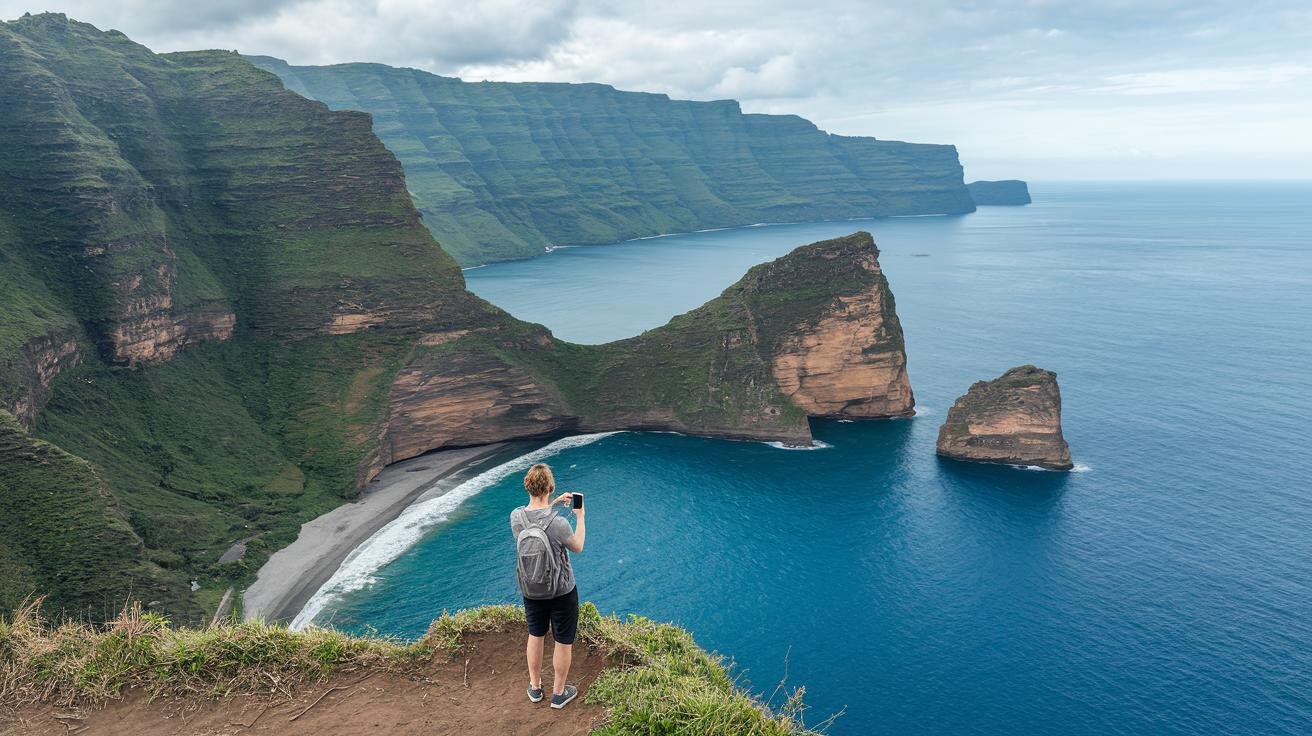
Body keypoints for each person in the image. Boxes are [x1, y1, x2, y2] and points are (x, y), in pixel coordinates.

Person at [510, 462, 586, 709]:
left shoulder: (516, 517)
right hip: (561, 591)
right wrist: (580, 517)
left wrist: (551, 504)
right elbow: (578, 547)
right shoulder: (559, 524)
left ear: (527, 486)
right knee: (563, 640)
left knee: (536, 634)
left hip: (531, 589)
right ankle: (559, 693)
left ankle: (534, 688)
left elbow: (535, 520)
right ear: (550, 487)